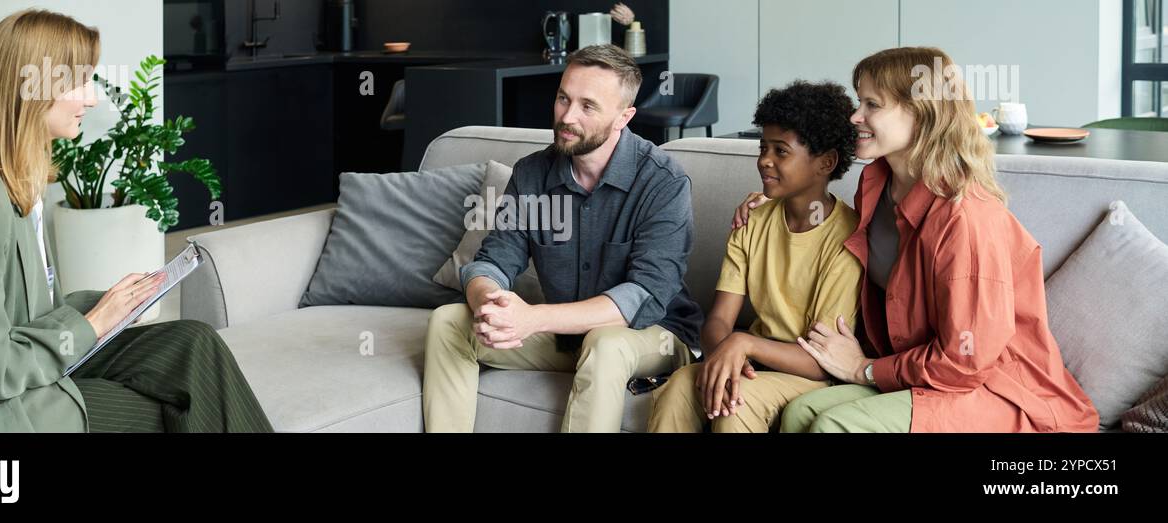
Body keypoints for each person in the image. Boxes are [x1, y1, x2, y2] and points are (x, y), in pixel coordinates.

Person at [0, 9, 273, 433]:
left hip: (26, 370)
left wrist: (109, 306)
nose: (91, 98)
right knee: (165, 409)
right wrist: (90, 324)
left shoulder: (16, 183)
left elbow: (22, 316)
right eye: (79, 82)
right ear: (31, 90)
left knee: (192, 343)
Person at [730, 47, 1098, 432]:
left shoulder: (966, 217)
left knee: (833, 425)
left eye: (873, 104)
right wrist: (774, 201)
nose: (856, 117)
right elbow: (823, 226)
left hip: (995, 390)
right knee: (800, 413)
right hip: (922, 377)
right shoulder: (875, 187)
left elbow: (965, 361)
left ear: (922, 114)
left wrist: (865, 369)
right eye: (859, 101)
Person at [421, 45, 703, 433]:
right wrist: (492, 303)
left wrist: (532, 318)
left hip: (653, 336)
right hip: (566, 335)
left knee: (605, 344)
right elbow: (494, 259)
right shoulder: (532, 174)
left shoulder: (662, 182)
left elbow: (645, 296)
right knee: (449, 322)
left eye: (588, 106)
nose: (567, 117)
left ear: (624, 117)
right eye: (563, 98)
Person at [649, 81, 862, 433]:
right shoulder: (751, 221)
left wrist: (744, 344)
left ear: (826, 162)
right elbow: (718, 321)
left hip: (810, 375)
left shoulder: (845, 239)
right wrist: (729, 357)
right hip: (750, 363)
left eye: (781, 151)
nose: (764, 160)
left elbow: (823, 362)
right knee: (680, 388)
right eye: (763, 147)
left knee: (735, 403)